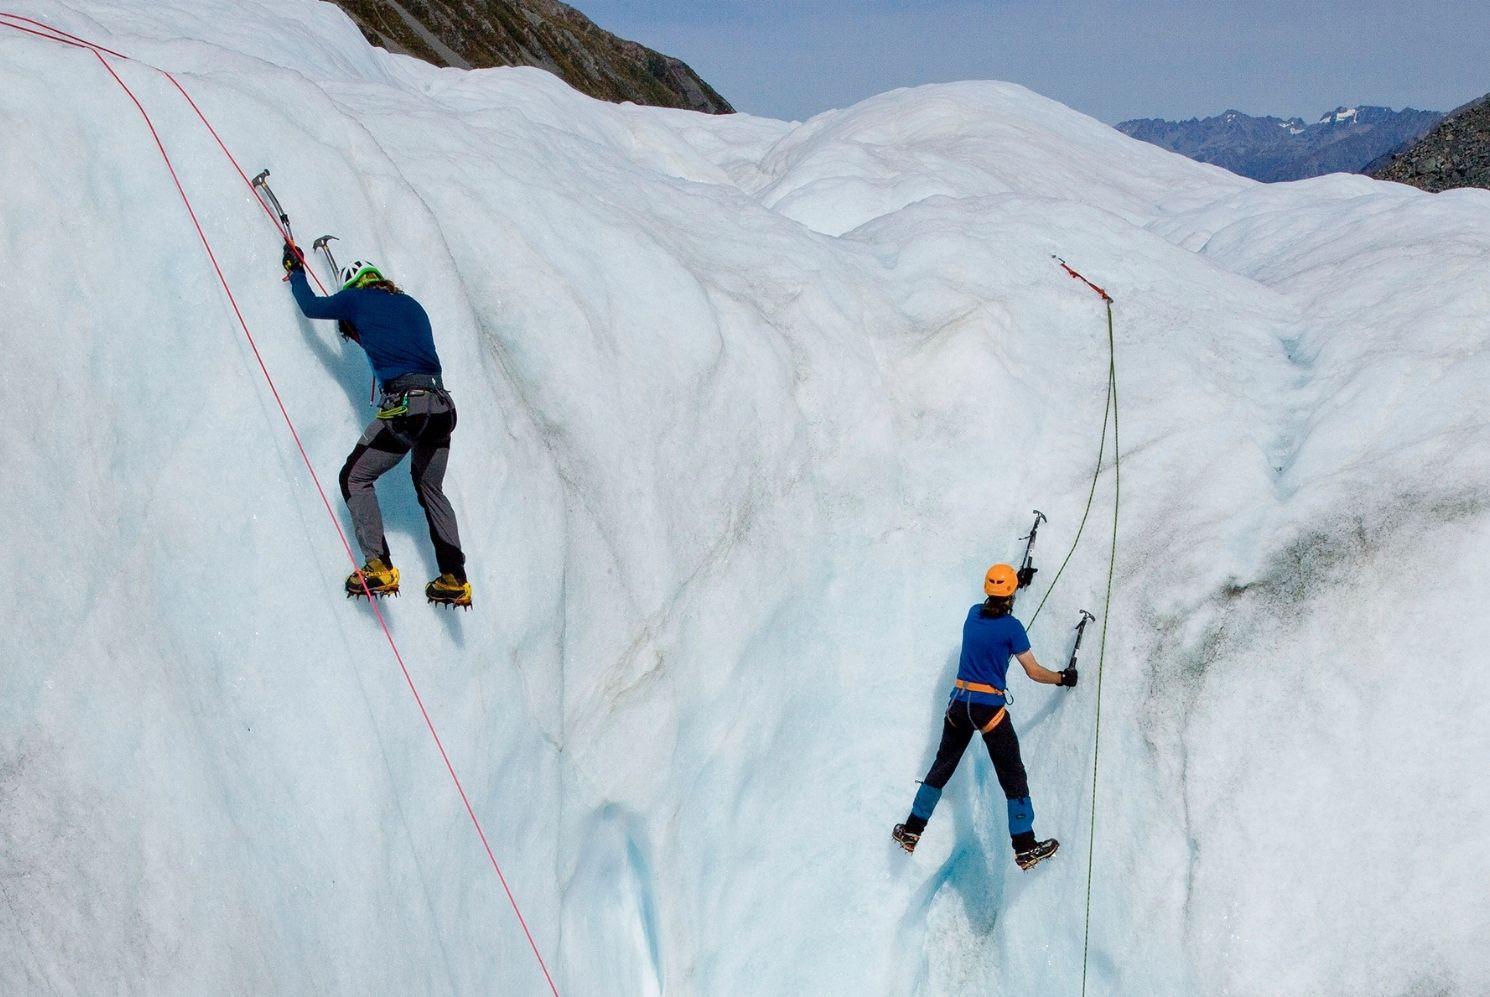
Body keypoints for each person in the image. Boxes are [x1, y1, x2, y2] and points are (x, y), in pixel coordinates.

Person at [282, 242, 472, 608]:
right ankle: (455, 577)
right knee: (430, 485)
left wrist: (297, 272)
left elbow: (311, 307)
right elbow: (394, 340)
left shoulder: (355, 300)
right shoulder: (413, 306)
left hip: (408, 408)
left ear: (353, 286)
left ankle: (378, 566)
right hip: (442, 407)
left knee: (354, 477)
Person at [892, 563, 1076, 870]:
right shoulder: (1012, 628)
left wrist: (1015, 582)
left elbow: (995, 603)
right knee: (1012, 775)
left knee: (941, 767)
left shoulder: (972, 614)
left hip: (958, 704)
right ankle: (1025, 846)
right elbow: (1033, 671)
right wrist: (1062, 677)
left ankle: (911, 830)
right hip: (987, 708)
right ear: (1011, 592)